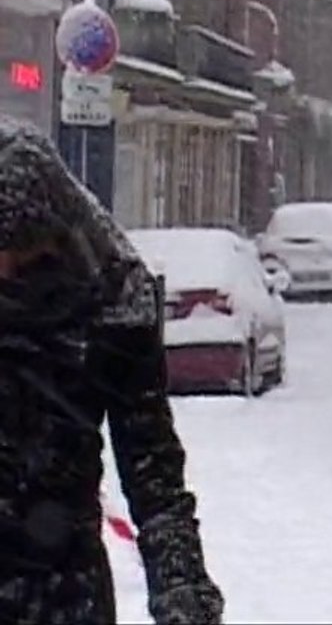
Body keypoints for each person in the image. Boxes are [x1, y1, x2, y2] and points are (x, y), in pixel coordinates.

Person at [0, 116, 223, 624]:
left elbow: (152, 465)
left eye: (19, 252)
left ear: (52, 234)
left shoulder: (111, 308)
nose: (4, 271)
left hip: (62, 584)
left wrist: (182, 582)